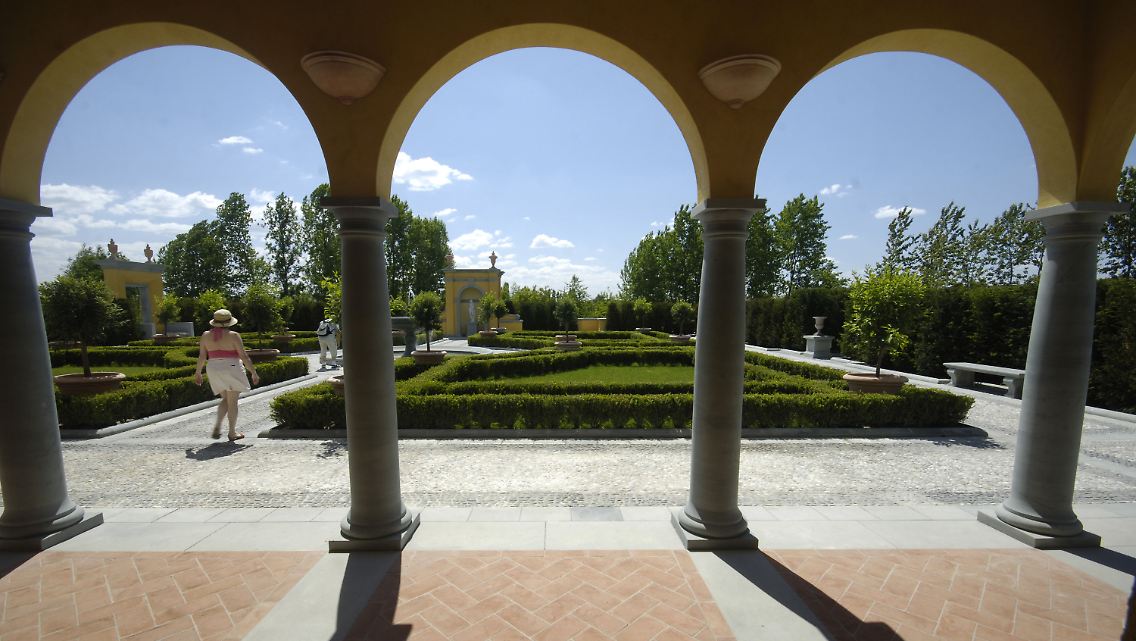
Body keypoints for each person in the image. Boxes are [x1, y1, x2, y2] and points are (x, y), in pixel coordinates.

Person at [194, 309, 259, 441]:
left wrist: (198, 372)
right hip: (231, 367)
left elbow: (202, 356)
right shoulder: (234, 335)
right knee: (233, 401)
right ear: (229, 322)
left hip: (213, 367)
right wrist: (253, 372)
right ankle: (232, 432)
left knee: (226, 399)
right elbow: (244, 356)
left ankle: (218, 425)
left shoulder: (205, 335)